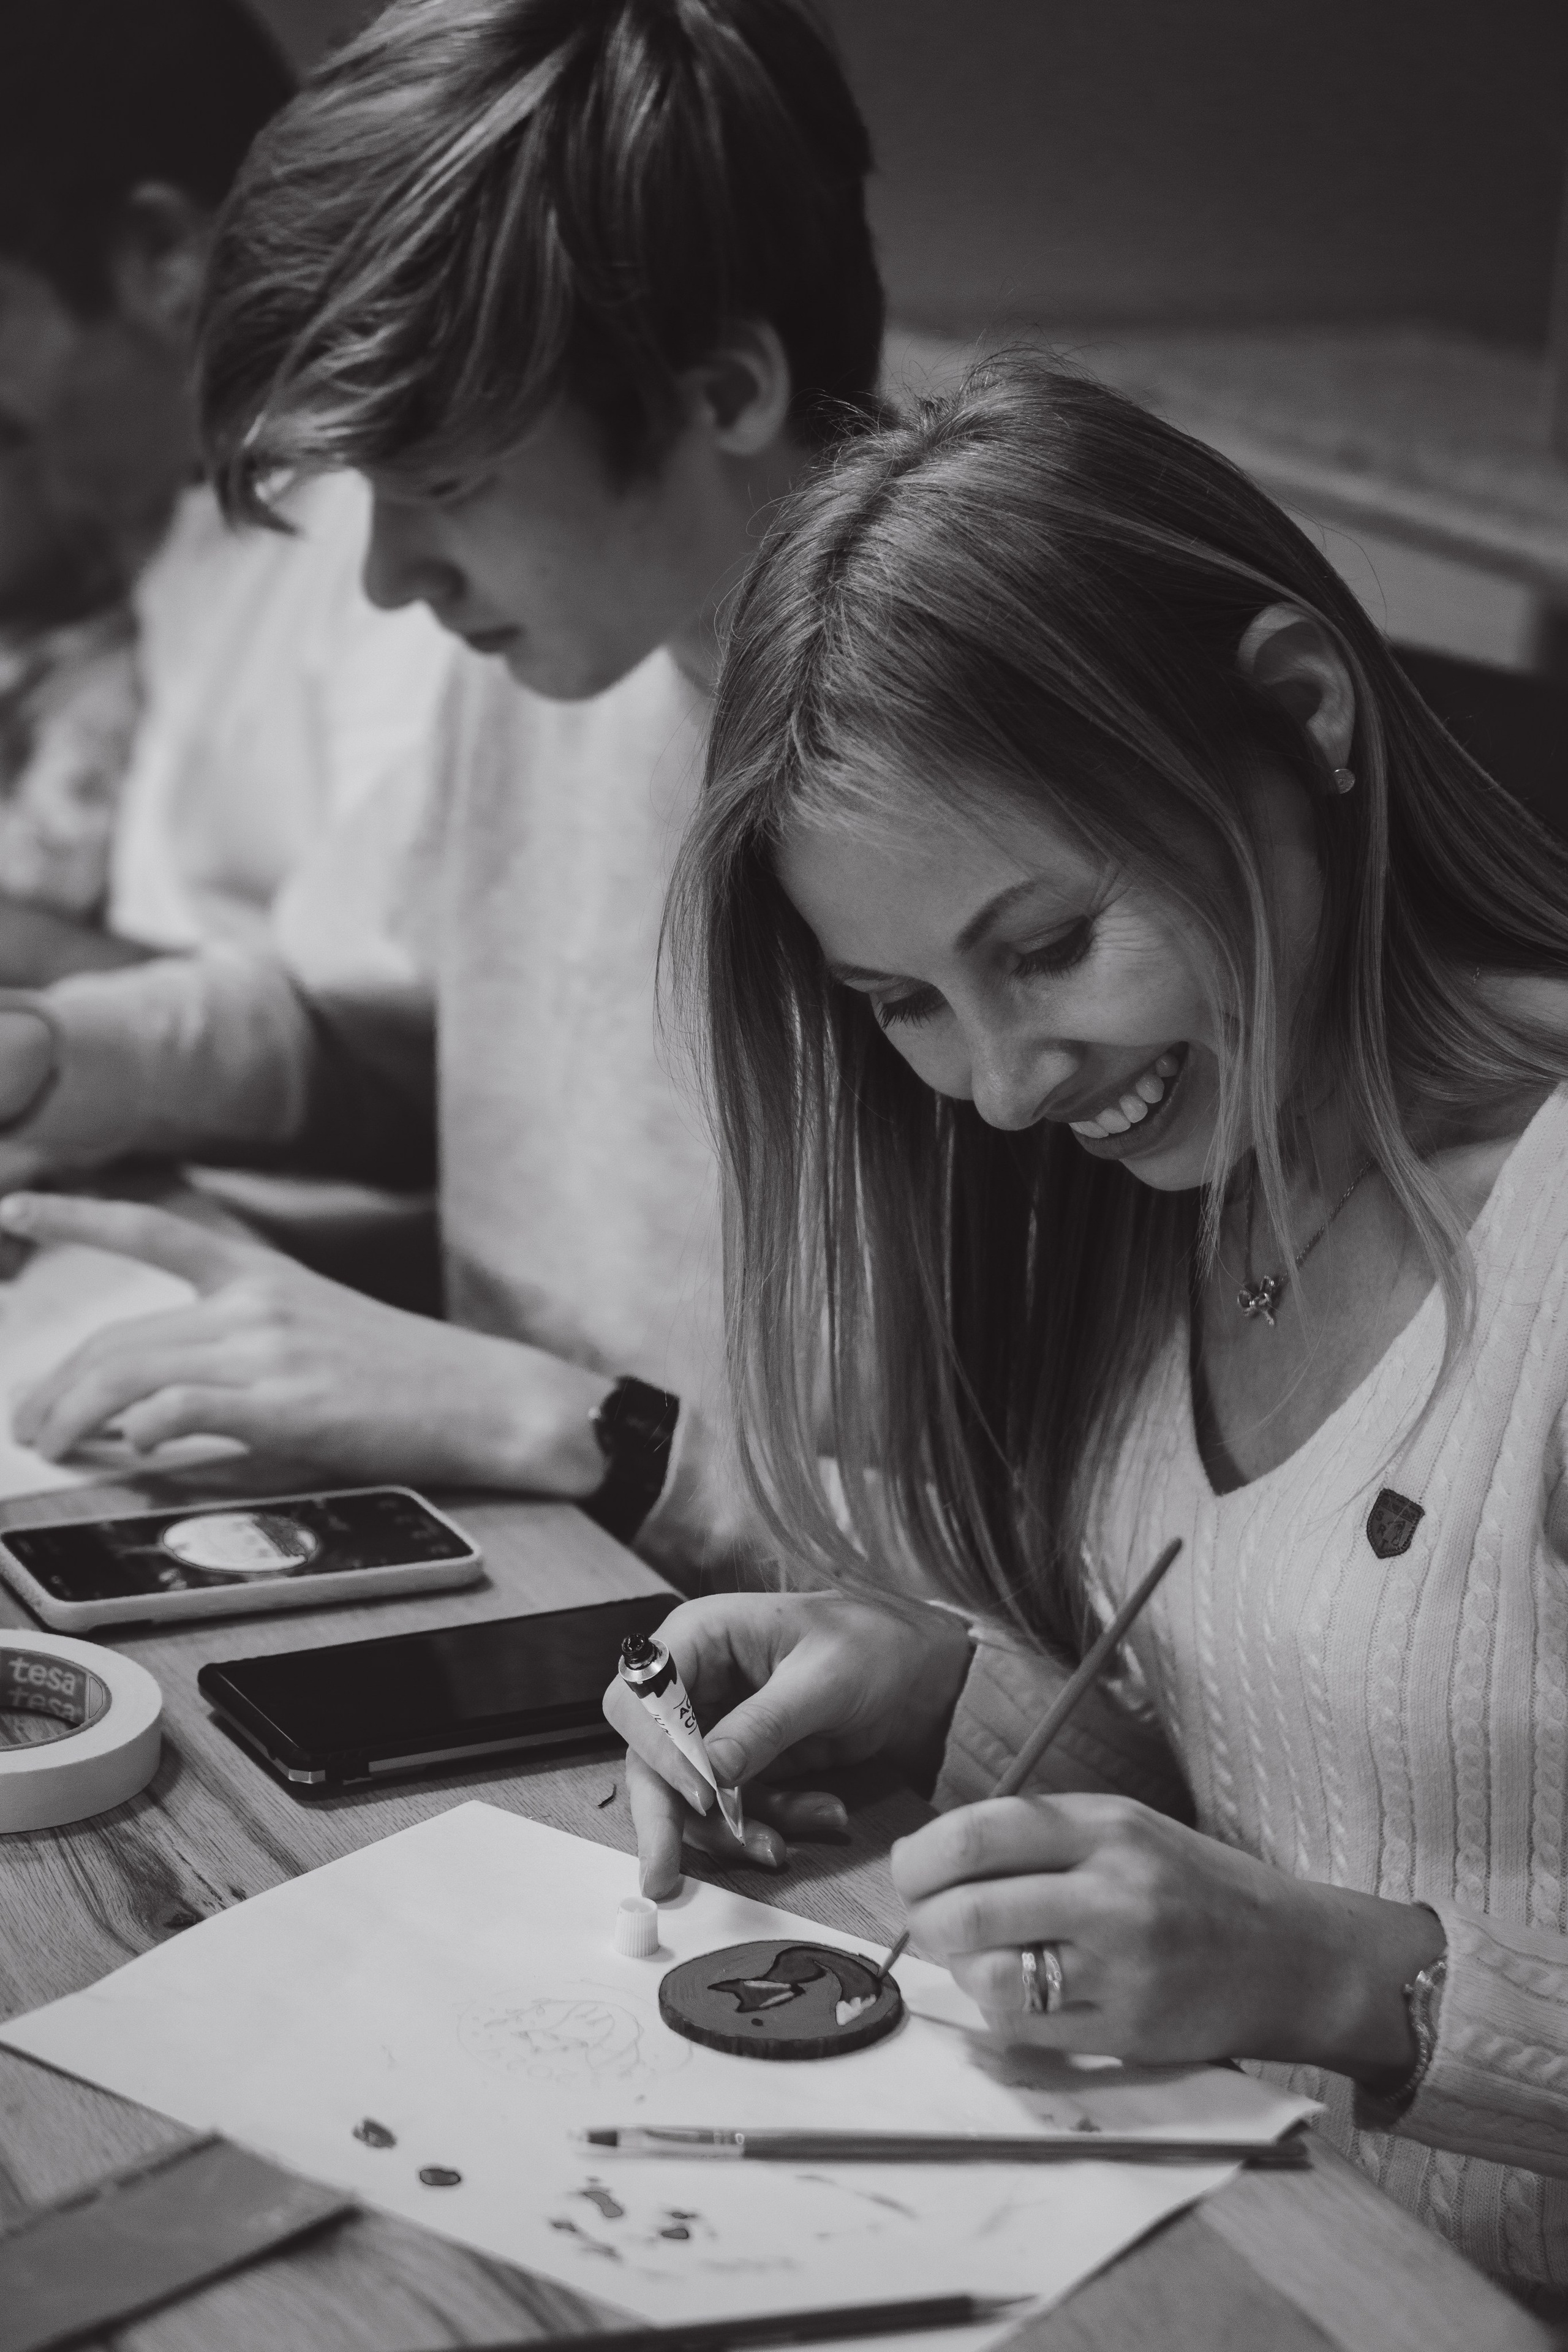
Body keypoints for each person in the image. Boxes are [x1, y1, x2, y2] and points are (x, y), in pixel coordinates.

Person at [609, 355, 1568, 2295]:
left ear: (1304, 718)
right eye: (903, 1003)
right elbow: (1277, 1758)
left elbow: (1332, 1915)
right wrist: (938, 1695)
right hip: (1241, 2271)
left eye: (1048, 946)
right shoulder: (1169, 1177)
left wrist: (1355, 1981)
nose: (1001, 1084)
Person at [0, 0, 885, 1595]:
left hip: (752, 1639)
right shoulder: (557, 659)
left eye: (446, 483)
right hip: (546, 1569)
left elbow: (1052, 1594)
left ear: (721, 393)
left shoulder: (974, 810)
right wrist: (70, 1059)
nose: (390, 578)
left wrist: (563, 1425)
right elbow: (378, 1036)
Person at [0, 0, 457, 977]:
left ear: (161, 257)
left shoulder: (408, 547)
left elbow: (419, 1015)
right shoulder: (197, 538)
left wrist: (33, 969)